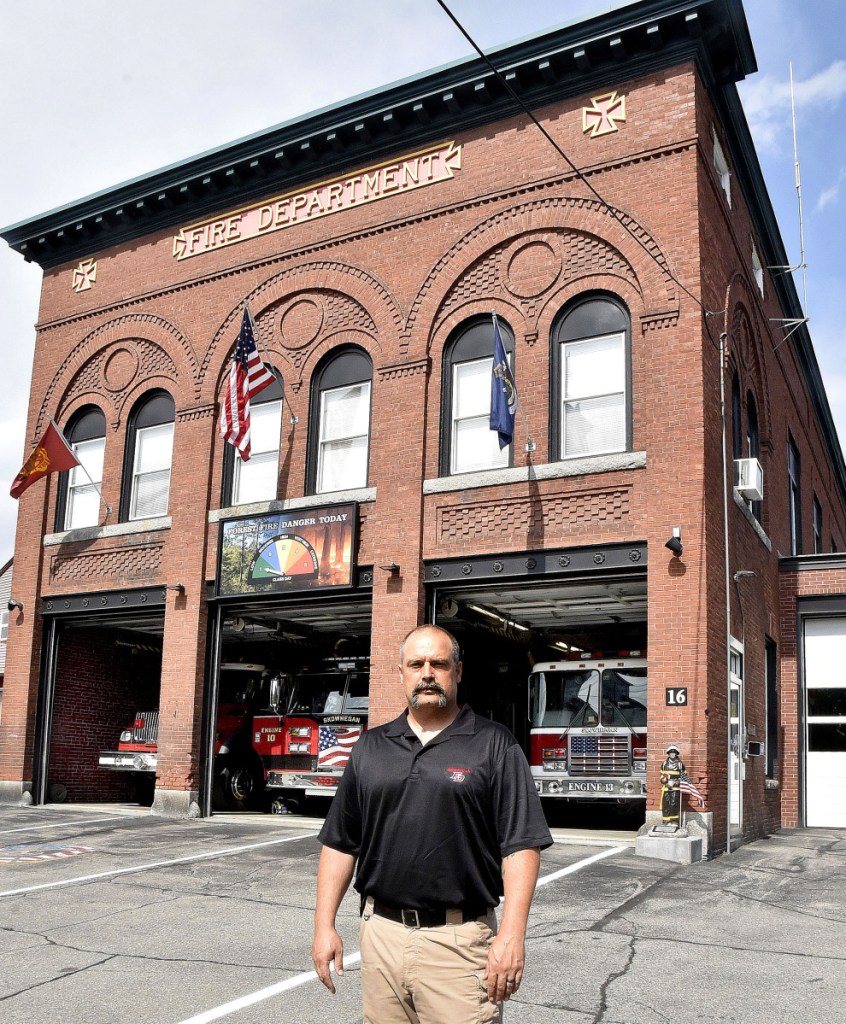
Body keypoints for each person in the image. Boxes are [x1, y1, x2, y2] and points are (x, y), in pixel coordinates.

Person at [311, 624, 553, 1023]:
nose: (427, 673)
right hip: (380, 937)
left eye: (438, 664)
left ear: (457, 672)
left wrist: (511, 936)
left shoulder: (494, 744)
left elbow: (520, 845)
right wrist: (324, 926)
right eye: (416, 663)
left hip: (459, 943)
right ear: (401, 673)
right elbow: (340, 843)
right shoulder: (371, 747)